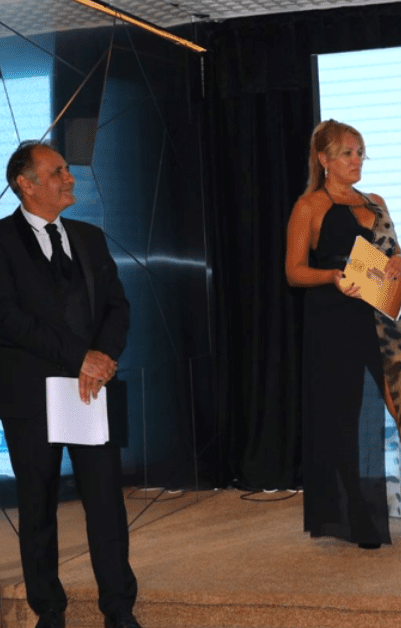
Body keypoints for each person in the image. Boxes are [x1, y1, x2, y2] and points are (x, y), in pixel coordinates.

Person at [285, 120, 401, 549]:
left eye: (360, 152)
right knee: (346, 418)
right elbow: (294, 271)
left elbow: (396, 253)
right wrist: (332, 276)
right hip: (334, 321)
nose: (357, 160)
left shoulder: (376, 202)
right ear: (324, 159)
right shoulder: (309, 206)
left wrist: (399, 262)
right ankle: (359, 517)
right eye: (348, 153)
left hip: (384, 319)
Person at [0, 141, 141, 628]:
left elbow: (117, 307)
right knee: (37, 506)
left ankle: (118, 608)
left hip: (91, 390)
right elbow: (8, 319)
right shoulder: (0, 241)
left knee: (106, 504)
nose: (69, 177)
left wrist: (102, 359)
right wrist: (80, 356)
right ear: (26, 184)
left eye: (66, 169)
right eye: (57, 171)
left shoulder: (89, 237)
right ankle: (49, 610)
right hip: (29, 394)